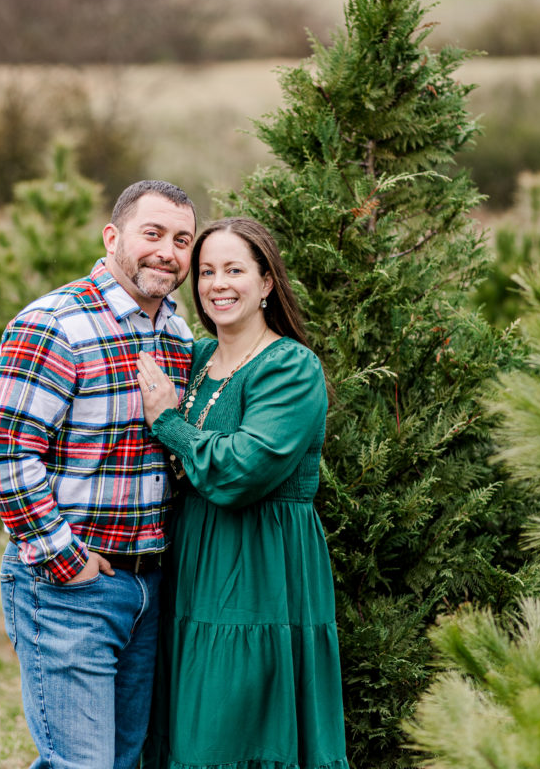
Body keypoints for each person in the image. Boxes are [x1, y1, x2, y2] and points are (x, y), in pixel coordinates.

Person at [0, 180, 197, 769]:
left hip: (148, 588)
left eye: (181, 239)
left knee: (123, 762)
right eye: (152, 234)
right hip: (71, 587)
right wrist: (63, 559)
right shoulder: (55, 322)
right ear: (113, 236)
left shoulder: (178, 337)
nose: (167, 252)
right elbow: (5, 450)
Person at [136, 216, 349, 769]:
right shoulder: (199, 358)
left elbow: (241, 471)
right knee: (187, 720)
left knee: (235, 727)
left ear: (266, 283)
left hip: (259, 566)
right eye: (206, 271)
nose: (217, 284)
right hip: (193, 560)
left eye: (235, 269)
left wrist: (168, 423)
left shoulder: (291, 368)